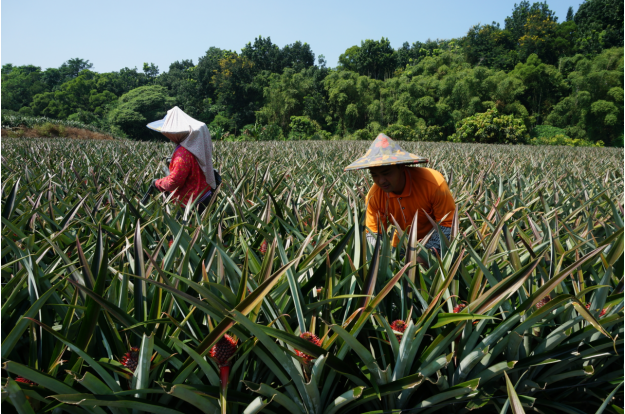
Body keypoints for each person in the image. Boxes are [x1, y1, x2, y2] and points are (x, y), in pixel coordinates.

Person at [344, 133, 456, 266]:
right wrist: (380, 258)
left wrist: (422, 256)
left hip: (433, 244)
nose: (381, 181)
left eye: (387, 173)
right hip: (399, 247)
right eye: (374, 175)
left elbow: (448, 227)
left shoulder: (433, 183)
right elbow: (373, 234)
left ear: (402, 167)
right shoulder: (374, 196)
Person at [143, 106, 219, 215]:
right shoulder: (197, 146)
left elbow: (174, 182)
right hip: (204, 194)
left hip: (190, 203)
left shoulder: (183, 153)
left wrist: (157, 183)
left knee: (187, 230)